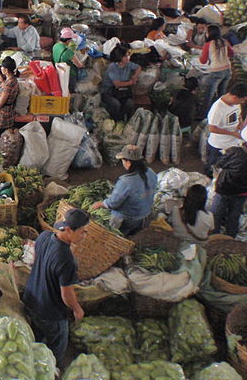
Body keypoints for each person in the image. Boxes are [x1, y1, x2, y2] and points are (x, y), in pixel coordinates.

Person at [23, 208, 89, 363]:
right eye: (82, 232)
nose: (85, 236)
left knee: (37, 336)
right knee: (58, 343)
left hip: (31, 299)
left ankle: (36, 360)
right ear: (68, 230)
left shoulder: (44, 236)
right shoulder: (66, 258)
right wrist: (77, 310)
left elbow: (38, 261)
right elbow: (67, 294)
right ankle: (53, 370)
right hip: (50, 312)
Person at [211, 121, 247, 236]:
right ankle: (231, 238)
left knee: (216, 215)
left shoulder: (235, 151)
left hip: (225, 188)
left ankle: (214, 237)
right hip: (245, 191)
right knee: (234, 216)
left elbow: (220, 164)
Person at [92, 145, 158, 236]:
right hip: (145, 215)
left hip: (128, 219)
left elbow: (113, 203)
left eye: (123, 160)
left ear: (128, 163)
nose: (122, 162)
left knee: (117, 236)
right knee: (134, 235)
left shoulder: (126, 181)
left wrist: (101, 203)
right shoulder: (150, 172)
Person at [205, 82, 247, 176]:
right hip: (218, 146)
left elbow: (238, 115)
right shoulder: (218, 108)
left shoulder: (236, 103)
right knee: (213, 170)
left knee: (226, 170)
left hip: (232, 144)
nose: (242, 103)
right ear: (234, 97)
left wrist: (241, 124)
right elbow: (212, 128)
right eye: (242, 100)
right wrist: (232, 133)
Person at [198, 24, 233, 115]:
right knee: (222, 94)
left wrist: (199, 57)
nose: (205, 34)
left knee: (209, 95)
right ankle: (220, 113)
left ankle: (204, 115)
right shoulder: (225, 41)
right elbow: (231, 53)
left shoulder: (208, 44)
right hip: (227, 70)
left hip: (216, 72)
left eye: (206, 32)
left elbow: (203, 61)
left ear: (210, 33)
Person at [101, 46, 141, 122]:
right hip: (109, 92)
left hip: (122, 92)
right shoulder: (112, 67)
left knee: (130, 104)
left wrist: (135, 76)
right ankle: (116, 121)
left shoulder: (128, 64)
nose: (128, 57)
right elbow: (117, 84)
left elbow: (138, 68)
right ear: (120, 57)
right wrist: (131, 82)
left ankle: (127, 122)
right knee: (116, 104)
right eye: (125, 56)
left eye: (128, 55)